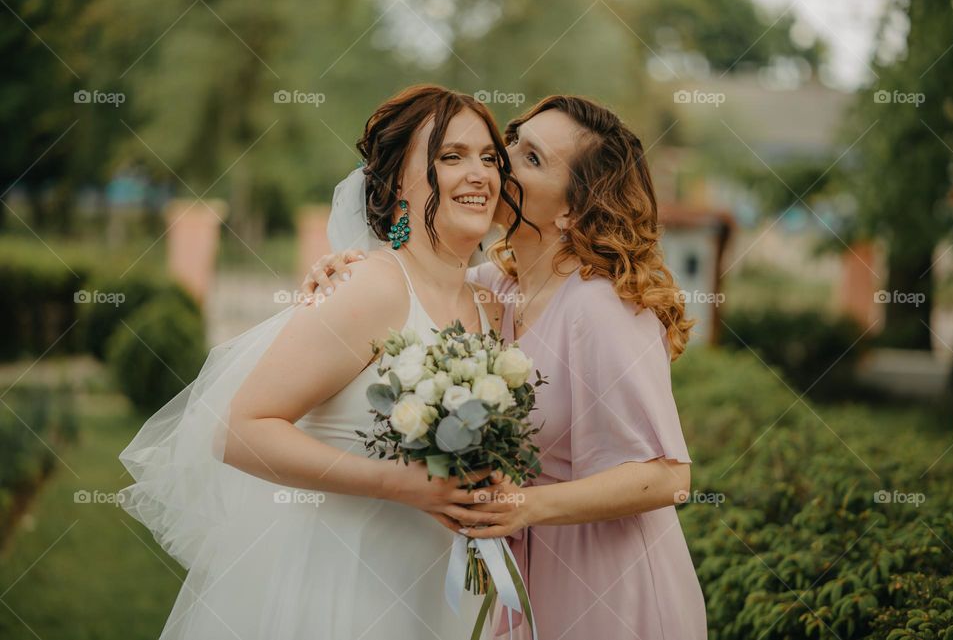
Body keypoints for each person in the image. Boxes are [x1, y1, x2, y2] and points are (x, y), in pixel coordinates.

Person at [118, 84, 529, 639]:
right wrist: (398, 484)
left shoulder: (487, 301)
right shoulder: (371, 287)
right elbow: (238, 431)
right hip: (342, 581)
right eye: (450, 157)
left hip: (433, 591)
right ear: (396, 183)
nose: (479, 174)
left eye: (488, 157)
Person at [302, 94, 708, 639]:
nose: (498, 159)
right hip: (527, 576)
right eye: (512, 141)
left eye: (531, 158)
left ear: (572, 208)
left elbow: (669, 477)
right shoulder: (497, 289)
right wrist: (347, 264)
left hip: (612, 587)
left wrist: (525, 504)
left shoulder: (601, 305)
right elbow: (410, 294)